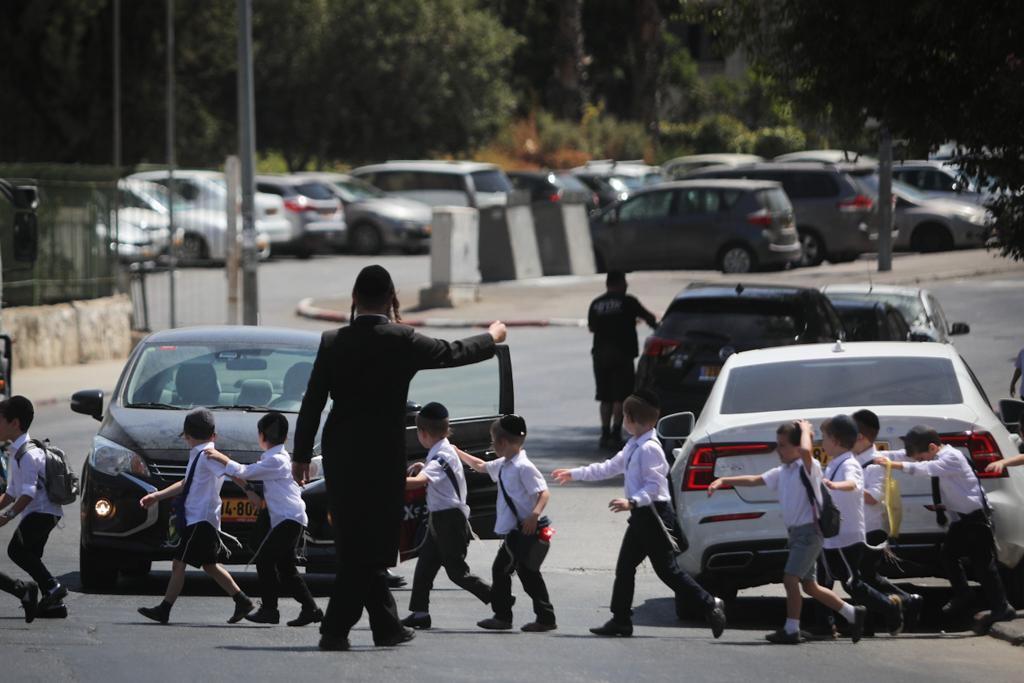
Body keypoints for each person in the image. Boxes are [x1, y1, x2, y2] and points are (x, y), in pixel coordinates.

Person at [292, 264, 506, 652]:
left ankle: (386, 626)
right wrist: (491, 338)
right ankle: (335, 629)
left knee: (357, 542)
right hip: (381, 457)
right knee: (371, 546)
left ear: (354, 299)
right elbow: (453, 352)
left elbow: (312, 402)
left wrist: (302, 455)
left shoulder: (332, 341)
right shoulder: (403, 339)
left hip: (341, 453)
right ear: (392, 299)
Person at [553, 391, 726, 638]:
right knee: (625, 567)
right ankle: (621, 620)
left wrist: (632, 502)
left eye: (624, 415)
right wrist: (575, 474)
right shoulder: (634, 444)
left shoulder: (649, 449)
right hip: (642, 516)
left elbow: (655, 488)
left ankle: (710, 603)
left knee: (668, 571)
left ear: (631, 419)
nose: (622, 419)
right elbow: (610, 466)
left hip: (654, 516)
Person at [708, 420, 867, 644]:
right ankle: (852, 613)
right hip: (797, 534)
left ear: (796, 446)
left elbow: (805, 450)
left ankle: (791, 628)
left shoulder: (809, 468)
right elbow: (755, 480)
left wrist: (805, 431)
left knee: (790, 579)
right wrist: (723, 480)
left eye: (783, 445)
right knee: (810, 586)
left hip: (810, 533)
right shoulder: (783, 471)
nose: (778, 450)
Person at [875, 425, 1016, 633]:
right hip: (962, 519)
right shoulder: (936, 455)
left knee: (983, 564)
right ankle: (967, 595)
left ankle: (1000, 607)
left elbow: (925, 469)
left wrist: (892, 465)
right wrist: (875, 454)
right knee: (949, 555)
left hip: (975, 519)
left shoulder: (951, 457)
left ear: (932, 447)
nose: (920, 460)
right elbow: (906, 456)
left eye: (922, 456)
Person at [204, 412, 322, 627]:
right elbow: (251, 475)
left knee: (265, 560)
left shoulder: (276, 460)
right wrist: (249, 489)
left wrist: (222, 458)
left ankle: (270, 609)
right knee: (285, 568)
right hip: (289, 517)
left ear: (261, 436)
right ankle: (310, 609)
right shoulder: (278, 459)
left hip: (288, 519)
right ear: (285, 438)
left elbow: (245, 471)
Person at [137, 409, 255, 624]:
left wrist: (249, 489)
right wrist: (157, 496)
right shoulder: (201, 455)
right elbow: (186, 483)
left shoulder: (208, 455)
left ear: (187, 436)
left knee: (178, 563)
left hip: (201, 519)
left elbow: (231, 471)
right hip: (200, 519)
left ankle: (164, 609)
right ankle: (242, 600)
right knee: (209, 565)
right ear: (214, 435)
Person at [456, 415, 556, 632]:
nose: (492, 444)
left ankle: (504, 616)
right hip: (517, 531)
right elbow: (480, 466)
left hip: (525, 530)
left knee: (503, 570)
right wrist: (456, 451)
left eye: (493, 440)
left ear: (502, 443)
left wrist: (534, 515)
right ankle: (544, 617)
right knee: (526, 573)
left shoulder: (523, 467)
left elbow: (543, 492)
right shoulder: (504, 464)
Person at [400, 402, 491, 629]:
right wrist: (424, 464)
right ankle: (420, 614)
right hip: (441, 519)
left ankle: (500, 598)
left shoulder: (440, 455)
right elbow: (437, 469)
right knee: (425, 568)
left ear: (422, 433)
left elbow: (420, 482)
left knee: (457, 573)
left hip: (449, 521)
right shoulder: (443, 450)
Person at [814, 415, 903, 637]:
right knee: (826, 578)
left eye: (824, 438)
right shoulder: (835, 462)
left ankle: (890, 607)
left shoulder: (848, 463)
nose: (821, 442)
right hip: (834, 534)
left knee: (851, 583)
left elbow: (853, 483)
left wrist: (835, 485)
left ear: (835, 440)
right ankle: (826, 625)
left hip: (847, 534)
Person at [851, 409, 923, 629]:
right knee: (867, 576)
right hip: (858, 529)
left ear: (860, 437)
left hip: (872, 529)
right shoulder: (854, 460)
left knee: (862, 577)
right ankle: (906, 603)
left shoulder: (875, 464)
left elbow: (873, 497)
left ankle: (901, 605)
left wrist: (846, 488)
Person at [0, 396, 63, 622]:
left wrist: (7, 516)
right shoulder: (16, 452)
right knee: (32, 556)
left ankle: (53, 587)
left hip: (41, 512)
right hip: (44, 512)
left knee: (16, 551)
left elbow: (27, 492)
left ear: (14, 423)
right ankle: (55, 604)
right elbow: (12, 492)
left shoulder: (27, 454)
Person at [588, 271, 658, 449]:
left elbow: (592, 327)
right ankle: (615, 432)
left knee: (604, 397)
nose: (626, 285)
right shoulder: (628, 302)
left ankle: (604, 434)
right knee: (620, 396)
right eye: (624, 282)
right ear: (619, 283)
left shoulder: (596, 304)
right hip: (622, 355)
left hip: (600, 356)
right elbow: (649, 318)